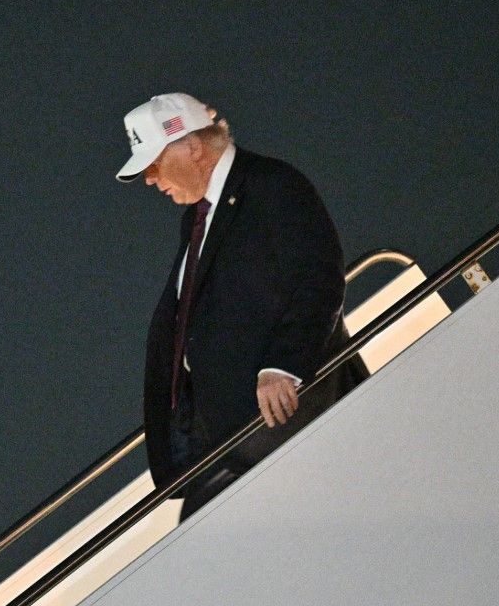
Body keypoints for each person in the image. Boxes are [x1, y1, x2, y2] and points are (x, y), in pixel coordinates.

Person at [116, 93, 368, 521]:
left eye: (154, 164)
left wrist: (282, 366)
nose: (149, 180)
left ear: (192, 146)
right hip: (236, 437)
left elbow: (318, 277)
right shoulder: (198, 218)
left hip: (286, 420)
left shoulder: (271, 185)